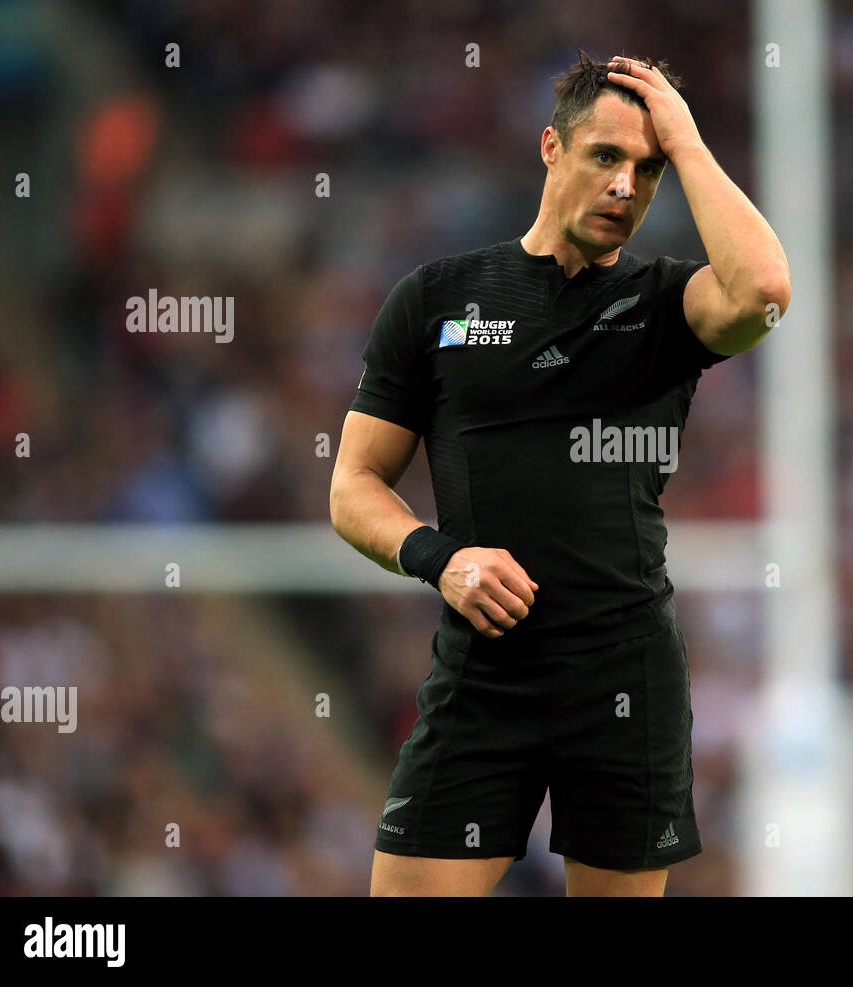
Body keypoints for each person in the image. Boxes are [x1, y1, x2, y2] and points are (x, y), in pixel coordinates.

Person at [329, 50, 790, 896]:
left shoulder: (664, 305)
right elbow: (353, 484)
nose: (627, 185)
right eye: (606, 157)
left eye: (649, 169)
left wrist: (688, 145)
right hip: (484, 670)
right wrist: (442, 558)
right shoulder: (436, 299)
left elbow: (764, 288)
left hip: (624, 676)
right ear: (551, 148)